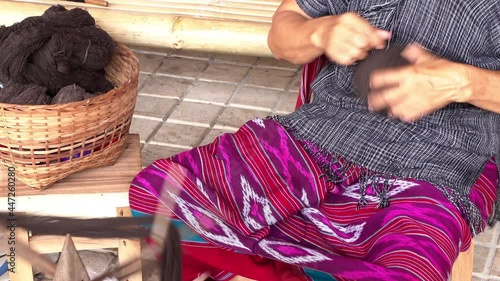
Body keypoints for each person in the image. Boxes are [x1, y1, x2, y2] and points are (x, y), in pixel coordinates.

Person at [129, 0, 500, 280]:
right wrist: (320, 32)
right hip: (319, 134)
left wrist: (465, 81)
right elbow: (282, 35)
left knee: (407, 268)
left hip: (444, 163)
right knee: (159, 196)